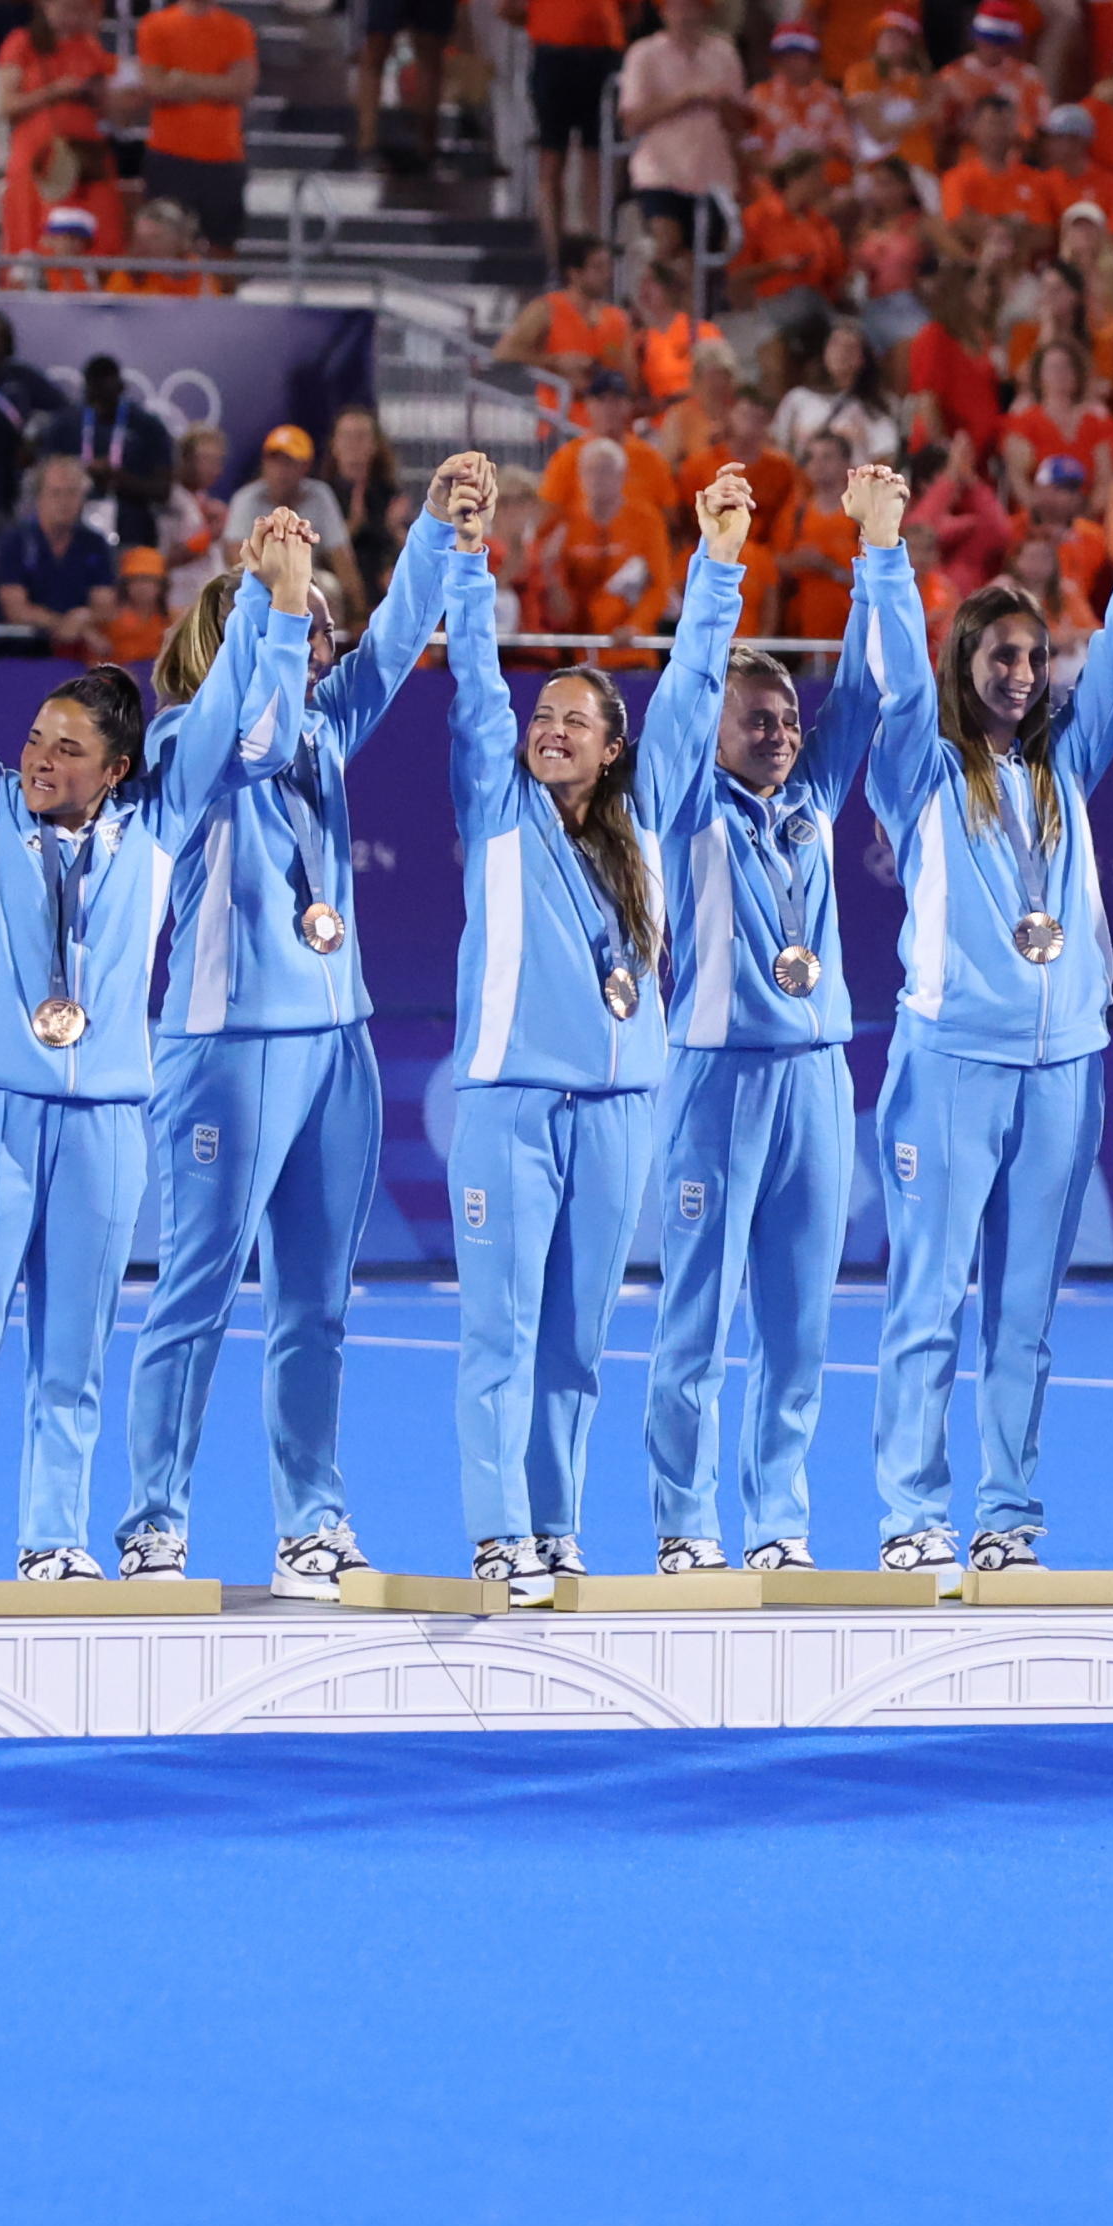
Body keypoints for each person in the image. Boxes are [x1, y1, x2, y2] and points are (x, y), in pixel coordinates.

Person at [0, 506, 313, 1598]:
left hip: (106, 1125)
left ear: (118, 766)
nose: (38, 759)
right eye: (35, 740)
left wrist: (273, 599)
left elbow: (230, 710)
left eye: (66, 750)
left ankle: (51, 1540)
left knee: (73, 1360)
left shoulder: (158, 827)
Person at [112, 453, 483, 1592]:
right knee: (195, 1290)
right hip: (226, 1049)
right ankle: (153, 1524)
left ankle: (310, 1520)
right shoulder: (186, 743)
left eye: (316, 623)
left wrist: (430, 532)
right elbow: (253, 729)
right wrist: (271, 612)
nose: (315, 638)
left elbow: (386, 651)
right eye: (291, 619)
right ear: (234, 632)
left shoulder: (324, 728)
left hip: (337, 1047)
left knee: (317, 1306)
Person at [844, 410, 1113, 1582]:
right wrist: (883, 551)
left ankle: (1005, 1515)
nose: (1014, 671)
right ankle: (910, 1513)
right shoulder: (920, 769)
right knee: (929, 1298)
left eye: (1028, 655)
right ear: (965, 667)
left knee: (1025, 1317)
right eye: (992, 655)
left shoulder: (1066, 768)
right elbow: (893, 688)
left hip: (1062, 1066)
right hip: (952, 1060)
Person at [633, 459, 894, 1576]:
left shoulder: (812, 801)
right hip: (715, 1081)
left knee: (799, 1331)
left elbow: (877, 696)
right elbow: (687, 691)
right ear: (715, 727)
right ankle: (686, 1528)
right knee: (695, 1318)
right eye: (757, 717)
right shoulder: (680, 799)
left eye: (787, 716)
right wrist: (719, 568)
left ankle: (778, 1523)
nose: (781, 732)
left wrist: (876, 556)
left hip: (817, 1079)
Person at [437, 457, 667, 1598]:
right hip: (511, 1111)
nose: (550, 730)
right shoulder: (496, 808)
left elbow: (695, 684)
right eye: (545, 717)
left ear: (614, 748)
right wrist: (468, 556)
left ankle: (555, 1522)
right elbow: (476, 683)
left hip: (616, 1113)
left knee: (576, 1341)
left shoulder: (643, 834)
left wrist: (712, 571)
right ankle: (495, 1530)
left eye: (577, 721)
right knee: (501, 1329)